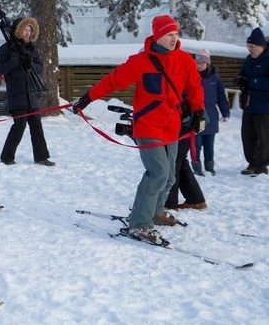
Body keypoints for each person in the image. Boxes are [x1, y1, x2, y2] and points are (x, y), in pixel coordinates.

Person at [72, 15, 205, 245]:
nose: (174, 39)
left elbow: (194, 88)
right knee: (158, 174)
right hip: (148, 126)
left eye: (176, 34)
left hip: (172, 126)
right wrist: (87, 98)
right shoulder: (140, 61)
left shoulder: (184, 60)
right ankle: (139, 224)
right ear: (157, 35)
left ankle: (156, 211)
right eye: (169, 35)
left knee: (171, 176)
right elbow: (113, 81)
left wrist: (199, 112)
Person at [0, 16, 55, 167]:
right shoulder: (6, 49)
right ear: (18, 30)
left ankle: (41, 156)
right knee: (19, 124)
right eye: (25, 29)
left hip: (32, 93)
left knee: (36, 124)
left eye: (30, 30)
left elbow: (40, 68)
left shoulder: (32, 49)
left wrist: (30, 64)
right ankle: (7, 156)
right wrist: (15, 61)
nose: (27, 33)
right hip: (17, 93)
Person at [235, 27, 269, 177]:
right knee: (248, 137)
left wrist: (253, 81)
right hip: (250, 105)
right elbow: (244, 74)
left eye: (252, 46)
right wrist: (240, 80)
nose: (250, 49)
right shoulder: (250, 59)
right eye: (248, 46)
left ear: (262, 46)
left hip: (267, 107)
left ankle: (261, 166)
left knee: (265, 139)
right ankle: (252, 162)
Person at [191, 49, 230, 176]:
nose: (200, 64)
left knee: (209, 145)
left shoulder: (215, 80)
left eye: (203, 62)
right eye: (197, 62)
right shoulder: (190, 77)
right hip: (196, 116)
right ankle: (197, 167)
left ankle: (209, 166)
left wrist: (225, 113)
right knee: (196, 145)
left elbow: (221, 97)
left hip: (211, 117)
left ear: (208, 63)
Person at [165, 124, 207, 211]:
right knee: (180, 160)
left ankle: (170, 203)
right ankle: (195, 199)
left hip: (182, 125)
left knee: (174, 161)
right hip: (187, 124)